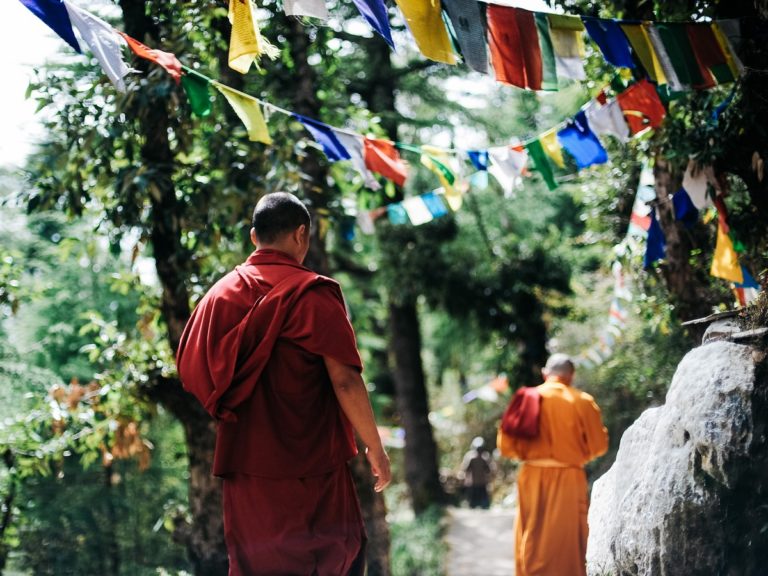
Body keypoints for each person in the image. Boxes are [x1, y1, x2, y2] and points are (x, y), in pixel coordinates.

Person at [176, 192, 391, 576]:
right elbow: (344, 380)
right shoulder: (313, 294)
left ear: (253, 236)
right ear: (301, 234)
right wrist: (374, 447)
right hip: (312, 467)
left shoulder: (218, 298)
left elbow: (193, 372)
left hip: (247, 467)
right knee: (332, 559)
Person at [497, 354, 608, 576]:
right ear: (571, 376)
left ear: (545, 374)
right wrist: (578, 454)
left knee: (532, 533)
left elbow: (505, 446)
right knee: (566, 540)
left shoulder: (527, 398)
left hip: (531, 475)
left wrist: (530, 453)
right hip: (569, 476)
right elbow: (599, 446)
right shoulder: (582, 401)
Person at [460, 436, 495, 509]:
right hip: (473, 484)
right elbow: (465, 469)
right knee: (473, 505)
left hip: (482, 484)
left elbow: (489, 470)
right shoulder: (470, 457)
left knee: (484, 506)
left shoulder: (485, 457)